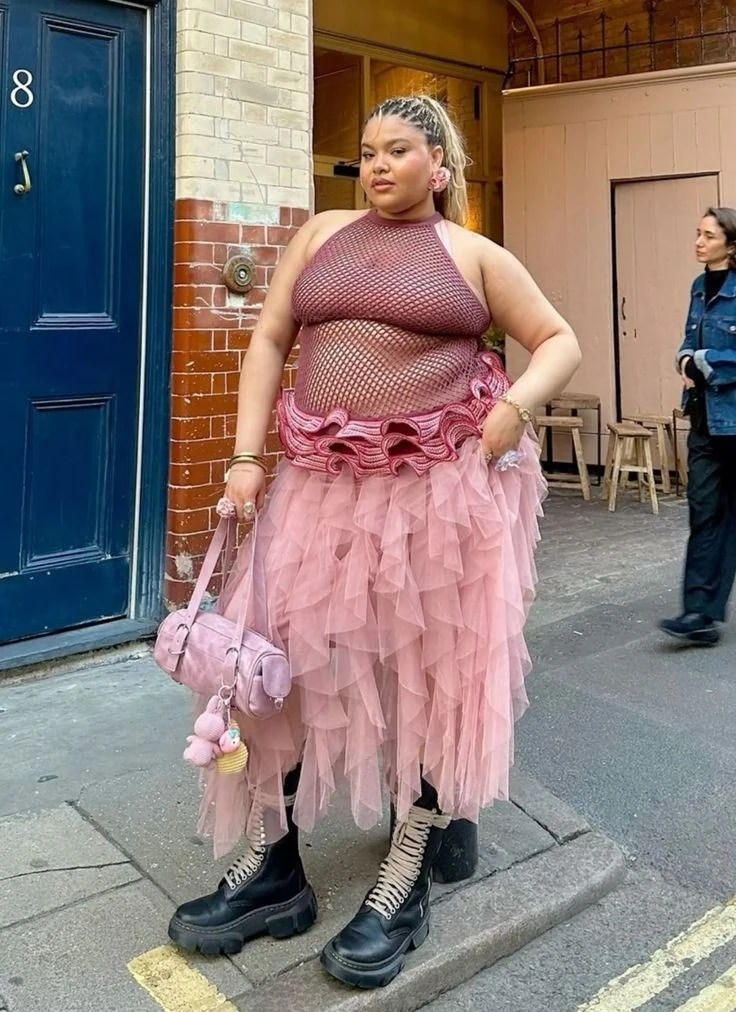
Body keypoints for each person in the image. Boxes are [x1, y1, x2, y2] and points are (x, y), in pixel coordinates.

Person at [167, 94, 581, 987]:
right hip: (316, 489)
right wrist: (244, 456)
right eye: (367, 151)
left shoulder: (473, 254)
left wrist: (515, 407)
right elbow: (270, 337)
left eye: (398, 149)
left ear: (439, 164)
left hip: (434, 496)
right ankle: (273, 865)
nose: (378, 164)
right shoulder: (322, 234)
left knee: (426, 674)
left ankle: (406, 875)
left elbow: (558, 339)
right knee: (279, 664)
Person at [660, 207, 736, 647]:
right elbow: (690, 339)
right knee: (704, 509)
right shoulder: (698, 286)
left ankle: (704, 609)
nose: (699, 242)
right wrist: (685, 356)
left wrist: (705, 361)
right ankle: (699, 614)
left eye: (709, 235)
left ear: (731, 244)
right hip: (705, 418)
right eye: (698, 234)